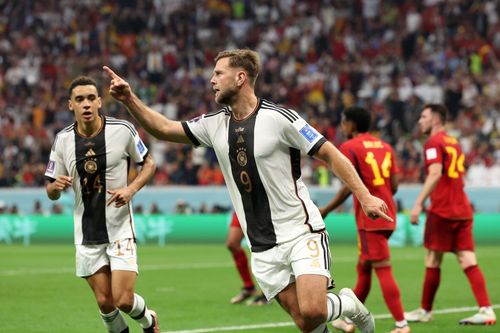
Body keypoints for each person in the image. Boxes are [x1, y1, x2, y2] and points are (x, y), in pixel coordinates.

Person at [103, 49, 394, 333]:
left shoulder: (281, 118)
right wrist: (129, 99)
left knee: (315, 309)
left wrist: (365, 195)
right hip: (261, 243)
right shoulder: (214, 124)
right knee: (307, 323)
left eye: (218, 73)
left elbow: (330, 153)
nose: (212, 80)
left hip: (300, 230)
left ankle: (348, 303)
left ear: (240, 77)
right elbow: (164, 128)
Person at [44, 76, 160, 333]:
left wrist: (130, 189)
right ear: (70, 105)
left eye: (90, 98)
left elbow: (149, 163)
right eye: (79, 99)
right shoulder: (62, 140)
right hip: (86, 234)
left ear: (99, 101)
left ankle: (148, 321)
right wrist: (56, 187)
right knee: (105, 302)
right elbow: (50, 190)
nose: (86, 104)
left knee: (123, 299)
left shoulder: (123, 130)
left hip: (119, 229)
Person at [320, 106, 410, 333]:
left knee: (382, 268)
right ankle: (349, 320)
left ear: (350, 124)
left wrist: (327, 209)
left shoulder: (349, 147)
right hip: (388, 213)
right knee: (364, 268)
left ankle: (402, 324)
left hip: (370, 218)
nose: (342, 126)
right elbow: (395, 185)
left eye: (343, 122)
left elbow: (350, 185)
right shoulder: (386, 147)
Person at [405, 104, 496, 325]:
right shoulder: (454, 142)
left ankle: (425, 310)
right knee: (467, 258)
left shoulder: (433, 143)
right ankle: (486, 309)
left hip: (443, 209)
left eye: (423, 116)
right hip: (462, 208)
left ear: (435, 120)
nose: (420, 120)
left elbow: (435, 173)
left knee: (433, 258)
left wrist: (417, 204)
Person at [227, 211, 269, 305]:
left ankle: (266, 293)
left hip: (260, 204)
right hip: (240, 204)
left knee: (263, 244)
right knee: (232, 243)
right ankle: (249, 287)